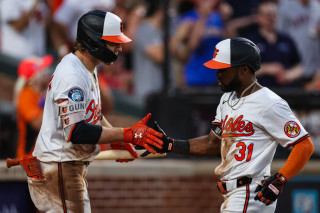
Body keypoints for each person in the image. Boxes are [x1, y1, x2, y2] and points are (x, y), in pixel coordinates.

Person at [144, 37, 314, 212]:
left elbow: (304, 145)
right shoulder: (227, 98)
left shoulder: (269, 103)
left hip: (251, 192)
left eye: (223, 69)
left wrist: (280, 179)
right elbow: (212, 144)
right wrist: (170, 144)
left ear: (244, 69)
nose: (217, 73)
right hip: (233, 193)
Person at [28, 10, 163, 212]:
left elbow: (92, 114)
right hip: (57, 168)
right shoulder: (71, 75)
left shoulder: (87, 67)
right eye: (113, 42)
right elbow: (77, 132)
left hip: (64, 166)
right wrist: (127, 133)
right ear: (93, 41)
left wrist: (116, 139)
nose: (119, 47)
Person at [244, 1, 303, 87]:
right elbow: (242, 72)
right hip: (259, 92)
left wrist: (289, 75)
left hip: (285, 92)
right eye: (267, 15)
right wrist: (267, 69)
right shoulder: (250, 41)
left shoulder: (286, 39)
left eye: (273, 15)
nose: (270, 18)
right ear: (258, 17)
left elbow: (299, 66)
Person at [15, 55, 53, 159]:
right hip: (28, 159)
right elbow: (37, 124)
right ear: (33, 77)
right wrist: (51, 102)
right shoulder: (25, 95)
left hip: (42, 156)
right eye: (42, 68)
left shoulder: (41, 94)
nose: (46, 70)